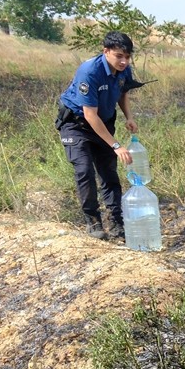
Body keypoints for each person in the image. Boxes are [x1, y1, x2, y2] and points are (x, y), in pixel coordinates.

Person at [56, 31, 141, 240]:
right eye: (119, 56)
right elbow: (90, 115)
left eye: (127, 57)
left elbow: (122, 93)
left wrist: (128, 116)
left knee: (109, 173)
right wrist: (116, 145)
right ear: (106, 51)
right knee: (84, 170)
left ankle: (116, 221)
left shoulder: (124, 70)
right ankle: (93, 221)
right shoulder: (89, 71)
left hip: (103, 123)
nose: (123, 61)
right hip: (77, 124)